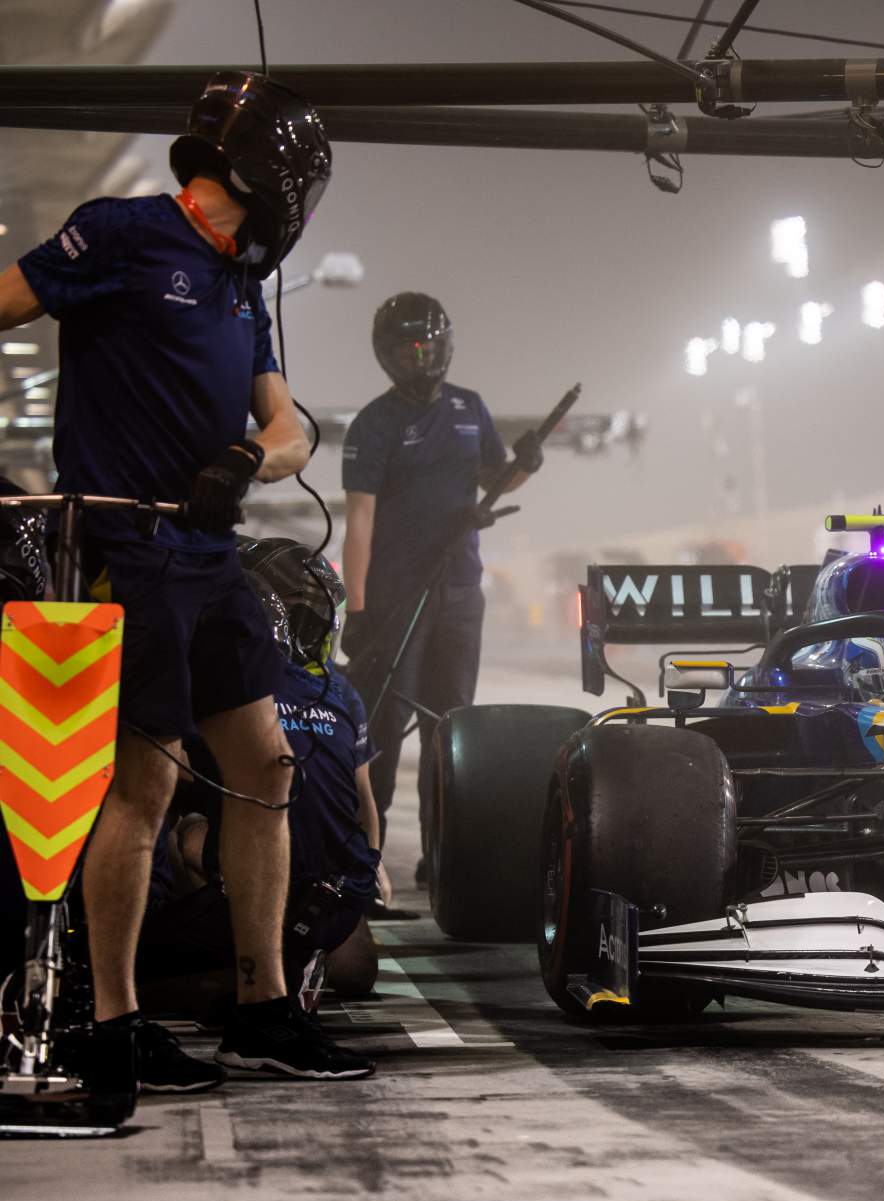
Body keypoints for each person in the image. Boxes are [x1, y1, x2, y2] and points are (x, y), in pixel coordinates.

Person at [0, 71, 370, 1090]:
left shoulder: (240, 283)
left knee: (267, 765)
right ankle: (112, 1022)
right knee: (145, 782)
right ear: (273, 176)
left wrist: (251, 462)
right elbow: (8, 301)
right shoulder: (118, 233)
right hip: (132, 550)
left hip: (210, 554)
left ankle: (260, 1007)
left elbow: (290, 426)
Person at [139, 538, 386, 1032]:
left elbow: (175, 775)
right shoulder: (342, 692)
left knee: (171, 820)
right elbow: (365, 807)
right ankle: (296, 952)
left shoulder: (224, 685)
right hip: (338, 890)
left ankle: (229, 964)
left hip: (269, 876)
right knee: (356, 968)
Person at [340, 292, 536, 886]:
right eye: (408, 347)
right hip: (398, 596)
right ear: (388, 354)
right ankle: (363, 858)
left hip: (459, 592)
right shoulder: (373, 424)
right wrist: (359, 608)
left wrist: (526, 462)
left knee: (450, 729)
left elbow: (495, 479)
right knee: (385, 727)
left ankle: (442, 858)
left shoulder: (469, 408)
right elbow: (360, 522)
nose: (421, 357)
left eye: (429, 344)